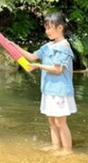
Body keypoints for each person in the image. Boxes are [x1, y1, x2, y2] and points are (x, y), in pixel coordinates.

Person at [19, 12, 75, 155]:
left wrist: (37, 66)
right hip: (48, 90)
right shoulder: (48, 46)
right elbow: (32, 56)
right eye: (45, 28)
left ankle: (67, 150)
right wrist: (13, 46)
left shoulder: (64, 46)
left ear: (60, 28)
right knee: (51, 122)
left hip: (60, 91)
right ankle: (56, 146)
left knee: (60, 122)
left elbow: (57, 70)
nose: (47, 31)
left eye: (50, 28)